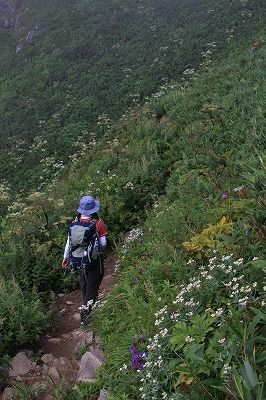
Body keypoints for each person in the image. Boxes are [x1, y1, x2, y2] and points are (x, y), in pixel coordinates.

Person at [62, 195, 107, 324]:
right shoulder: (98, 223)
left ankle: (90, 310)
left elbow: (68, 243)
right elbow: (103, 244)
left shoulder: (74, 224)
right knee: (92, 289)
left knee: (85, 285)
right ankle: (85, 319)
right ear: (93, 210)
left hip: (78, 260)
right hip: (94, 261)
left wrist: (65, 258)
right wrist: (99, 248)